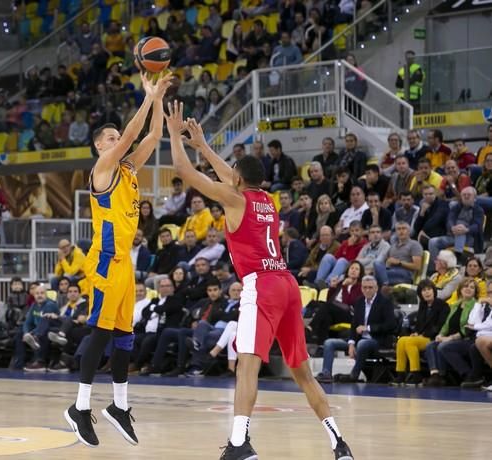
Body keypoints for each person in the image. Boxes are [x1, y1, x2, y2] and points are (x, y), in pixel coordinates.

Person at [165, 103, 353, 460]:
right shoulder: (267, 200)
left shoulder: (234, 200)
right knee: (303, 375)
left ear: (237, 178)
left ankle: (239, 444)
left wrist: (175, 134)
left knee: (247, 365)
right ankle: (339, 444)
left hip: (262, 286)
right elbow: (230, 177)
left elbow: (182, 170)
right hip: (287, 284)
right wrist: (204, 146)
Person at [64, 72, 172, 448]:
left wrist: (158, 99)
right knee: (102, 331)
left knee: (125, 336)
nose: (116, 142)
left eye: (115, 138)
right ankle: (79, 407)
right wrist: (146, 97)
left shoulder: (127, 169)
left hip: (124, 263)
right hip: (105, 261)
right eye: (109, 139)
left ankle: (119, 406)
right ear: (99, 147)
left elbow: (153, 138)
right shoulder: (103, 170)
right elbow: (130, 136)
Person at [390, 279, 449, 386]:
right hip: (422, 336)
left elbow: (440, 326)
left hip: (434, 337)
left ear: (434, 291)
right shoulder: (423, 305)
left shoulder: (442, 305)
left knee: (410, 342)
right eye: (423, 290)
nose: (426, 292)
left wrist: (422, 334)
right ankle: (400, 374)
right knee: (402, 340)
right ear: (420, 294)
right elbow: (419, 325)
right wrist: (416, 332)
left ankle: (416, 374)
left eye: (429, 289)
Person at [395, 50, 425, 114]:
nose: (409, 59)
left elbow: (413, 80)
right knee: (403, 117)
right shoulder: (402, 70)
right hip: (404, 98)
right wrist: (407, 81)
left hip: (415, 98)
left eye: (411, 57)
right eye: (407, 57)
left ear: (414, 58)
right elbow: (398, 84)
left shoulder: (417, 68)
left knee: (415, 117)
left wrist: (405, 81)